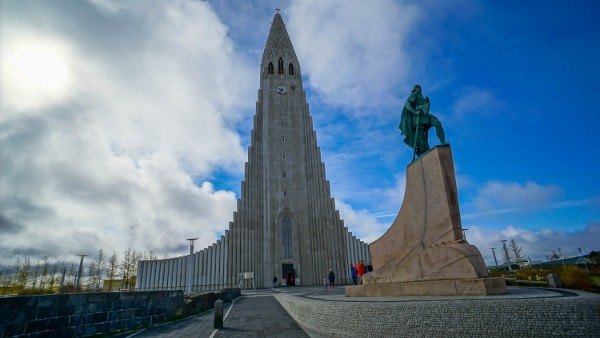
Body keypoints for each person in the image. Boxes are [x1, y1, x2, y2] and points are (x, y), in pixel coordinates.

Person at [399, 85, 446, 158]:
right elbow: (407, 105)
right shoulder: (414, 94)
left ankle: (443, 143)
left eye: (419, 87)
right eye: (417, 87)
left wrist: (428, 103)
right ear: (415, 89)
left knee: (437, 123)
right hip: (418, 117)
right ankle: (422, 152)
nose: (419, 88)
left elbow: (426, 109)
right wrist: (415, 112)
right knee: (421, 138)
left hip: (425, 116)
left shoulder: (423, 97)